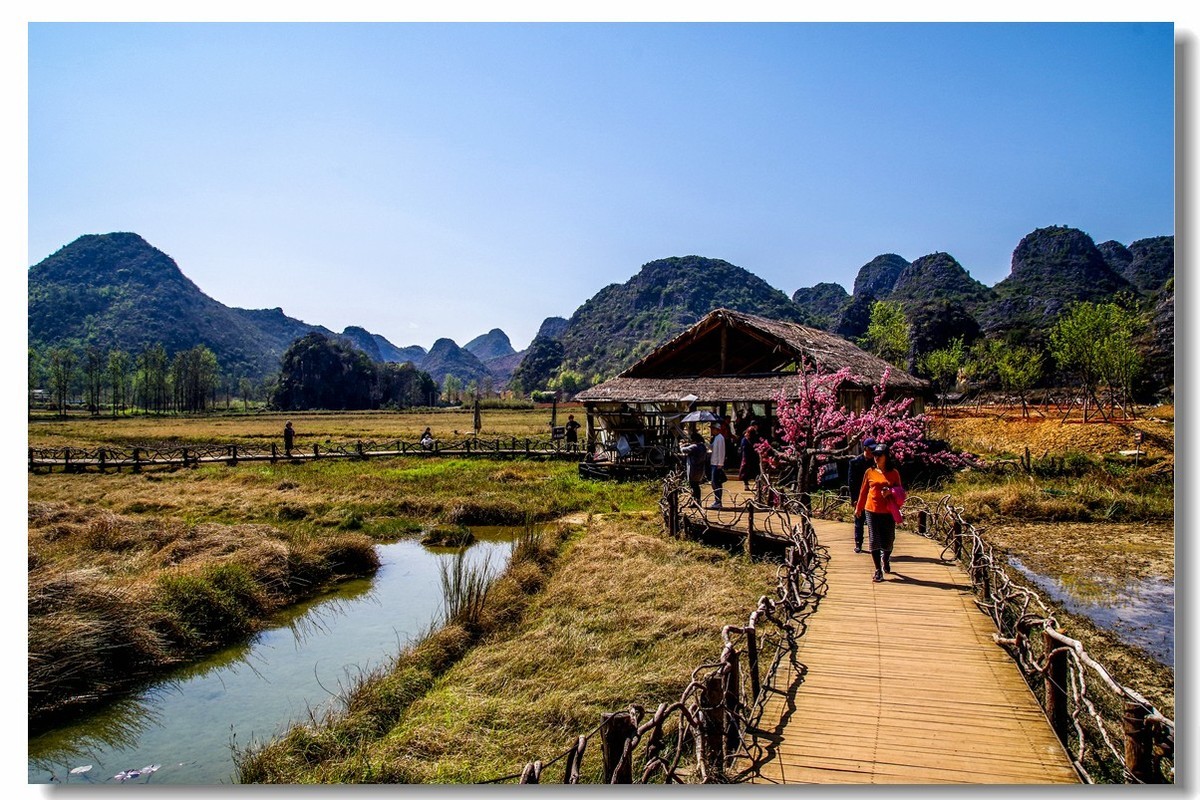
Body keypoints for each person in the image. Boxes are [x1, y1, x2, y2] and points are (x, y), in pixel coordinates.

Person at [855, 442, 904, 583]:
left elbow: (900, 492)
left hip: (888, 511)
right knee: (874, 540)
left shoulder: (893, 473)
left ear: (886, 456)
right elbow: (863, 491)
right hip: (871, 509)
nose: (876, 458)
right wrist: (858, 508)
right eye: (874, 455)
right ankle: (878, 570)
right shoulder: (869, 472)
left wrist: (890, 491)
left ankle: (886, 558)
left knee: (888, 541)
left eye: (879, 455)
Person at [847, 437, 877, 553]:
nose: (873, 452)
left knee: (872, 522)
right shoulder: (855, 462)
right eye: (871, 449)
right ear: (865, 449)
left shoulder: (875, 462)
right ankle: (858, 543)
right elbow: (851, 482)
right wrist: (854, 499)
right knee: (859, 520)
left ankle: (873, 545)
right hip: (859, 495)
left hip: (872, 496)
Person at [680, 431, 708, 504]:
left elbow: (683, 450)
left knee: (693, 486)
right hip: (701, 469)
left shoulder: (694, 447)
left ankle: (695, 502)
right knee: (696, 486)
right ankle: (697, 501)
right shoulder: (703, 446)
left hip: (693, 469)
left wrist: (681, 445)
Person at [708, 422, 727, 509]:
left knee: (716, 483)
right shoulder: (716, 438)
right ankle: (717, 500)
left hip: (717, 463)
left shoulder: (720, 438)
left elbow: (721, 451)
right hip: (714, 462)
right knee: (714, 482)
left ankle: (718, 501)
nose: (711, 430)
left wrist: (720, 463)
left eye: (713, 429)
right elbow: (713, 448)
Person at [739, 423, 761, 490]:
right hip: (754, 458)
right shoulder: (756, 439)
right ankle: (756, 485)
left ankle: (746, 485)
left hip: (746, 458)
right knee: (756, 472)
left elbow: (742, 448)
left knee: (745, 472)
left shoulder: (744, 440)